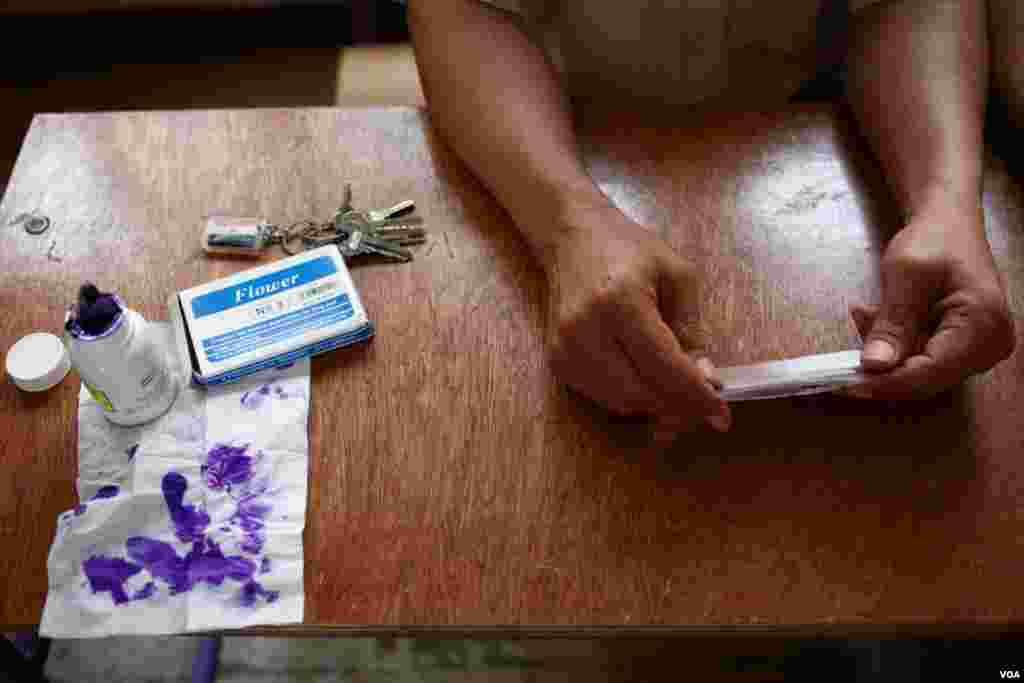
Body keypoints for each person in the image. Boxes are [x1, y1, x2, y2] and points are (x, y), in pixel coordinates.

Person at [407, 0, 1017, 433]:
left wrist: (946, 203)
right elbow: (462, 10)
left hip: (828, 136)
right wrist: (568, 225)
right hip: (546, 129)